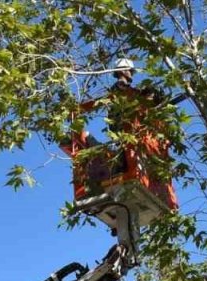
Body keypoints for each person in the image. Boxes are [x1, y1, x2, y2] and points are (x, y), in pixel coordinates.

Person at [64, 58, 184, 209]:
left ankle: (123, 167)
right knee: (125, 154)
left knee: (130, 152)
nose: (131, 73)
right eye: (129, 70)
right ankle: (120, 168)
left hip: (133, 140)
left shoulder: (135, 99)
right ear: (121, 71)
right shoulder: (122, 89)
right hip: (127, 135)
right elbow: (120, 97)